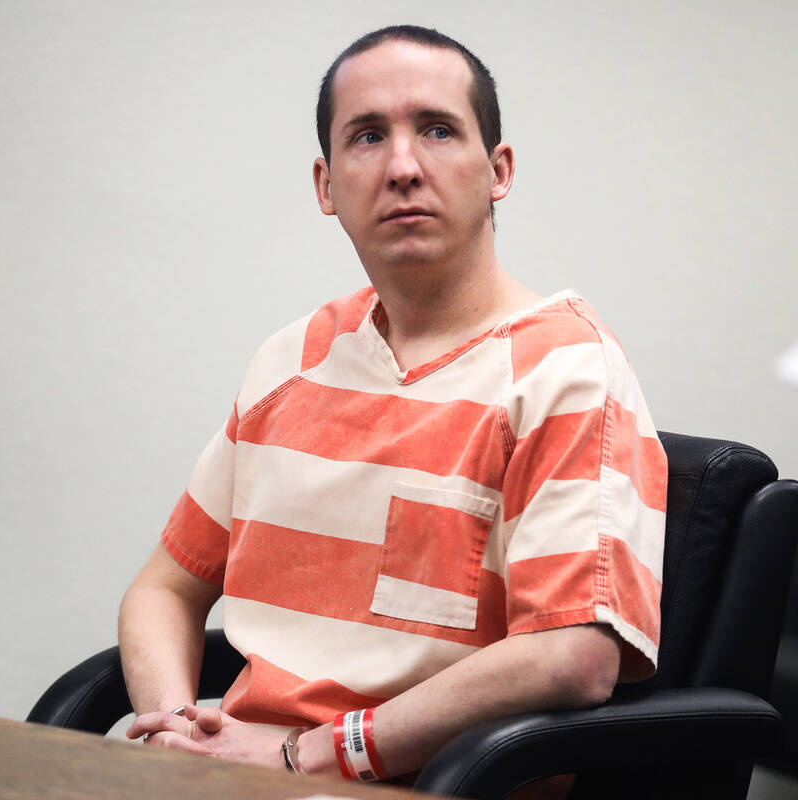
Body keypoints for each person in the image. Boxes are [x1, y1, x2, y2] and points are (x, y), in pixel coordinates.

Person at [119, 25, 666, 786]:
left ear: (498, 170)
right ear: (326, 184)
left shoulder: (566, 370)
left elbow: (573, 656)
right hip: (238, 777)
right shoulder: (294, 358)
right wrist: (178, 733)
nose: (404, 167)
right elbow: (163, 588)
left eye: (438, 130)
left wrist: (303, 755)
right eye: (369, 136)